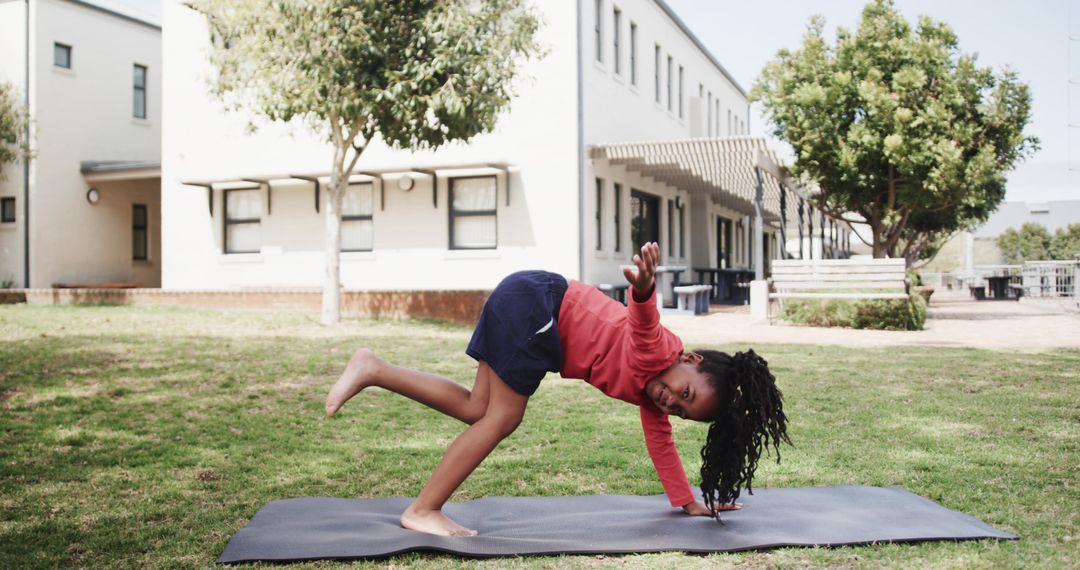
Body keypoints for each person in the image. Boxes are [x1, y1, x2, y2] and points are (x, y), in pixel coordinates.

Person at [324, 242, 790, 537]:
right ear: (688, 361)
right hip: (538, 306)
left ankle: (375, 369)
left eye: (683, 413)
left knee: (477, 409)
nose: (671, 403)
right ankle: (423, 509)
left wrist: (687, 501)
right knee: (504, 417)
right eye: (683, 394)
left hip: (529, 300)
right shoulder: (659, 353)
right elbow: (644, 320)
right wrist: (645, 288)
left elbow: (660, 444)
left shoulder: (653, 392)